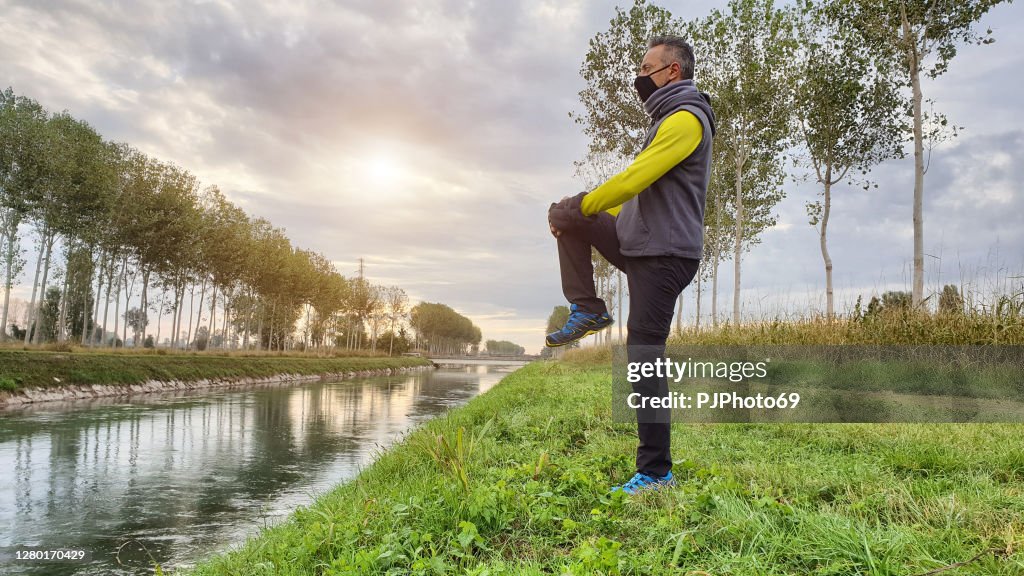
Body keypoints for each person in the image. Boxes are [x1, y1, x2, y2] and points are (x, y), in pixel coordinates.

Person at [546, 35, 716, 494]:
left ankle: (657, 472)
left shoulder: (687, 119)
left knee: (643, 356)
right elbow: (639, 202)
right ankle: (588, 307)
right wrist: (581, 213)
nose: (639, 77)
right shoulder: (664, 120)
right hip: (642, 243)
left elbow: (635, 179)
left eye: (646, 68)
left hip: (667, 257)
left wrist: (591, 204)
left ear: (672, 71)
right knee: (564, 212)